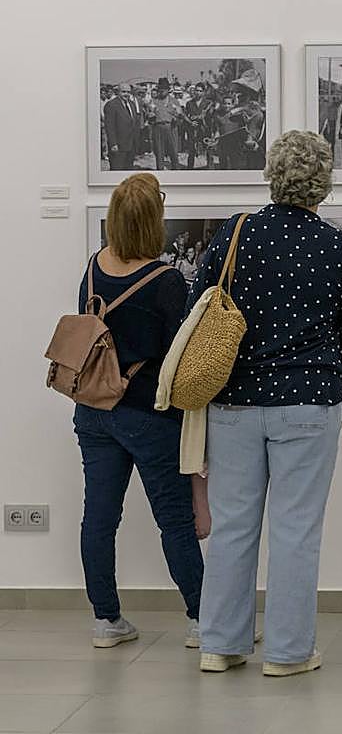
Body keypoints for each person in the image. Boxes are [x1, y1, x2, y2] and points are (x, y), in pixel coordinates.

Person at [192, 131, 342, 677]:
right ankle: (286, 652)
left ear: (270, 176)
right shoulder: (341, 249)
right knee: (296, 528)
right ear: (323, 185)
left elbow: (198, 308)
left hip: (232, 401)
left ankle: (221, 644)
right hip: (309, 403)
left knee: (232, 525)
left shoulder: (236, 235)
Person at [73, 173, 205, 649]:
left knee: (99, 516)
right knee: (174, 518)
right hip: (149, 416)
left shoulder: (93, 268)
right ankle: (200, 618)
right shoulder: (166, 280)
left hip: (93, 411)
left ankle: (106, 620)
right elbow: (180, 352)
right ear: (154, 220)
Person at [103, 84, 143, 170]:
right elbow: (110, 127)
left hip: (131, 145)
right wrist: (113, 143)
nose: (126, 94)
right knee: (117, 170)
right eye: (124, 92)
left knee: (128, 170)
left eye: (128, 92)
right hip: (118, 146)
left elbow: (134, 123)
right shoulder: (111, 105)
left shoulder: (131, 104)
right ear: (118, 92)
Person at [149, 78, 182, 170]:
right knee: (159, 153)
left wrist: (177, 117)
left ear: (168, 90)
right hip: (158, 128)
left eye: (164, 89)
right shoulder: (154, 101)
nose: (162, 91)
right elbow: (150, 119)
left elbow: (180, 117)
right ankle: (160, 173)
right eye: (160, 89)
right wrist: (151, 115)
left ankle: (175, 172)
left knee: (174, 153)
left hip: (171, 128)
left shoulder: (174, 101)